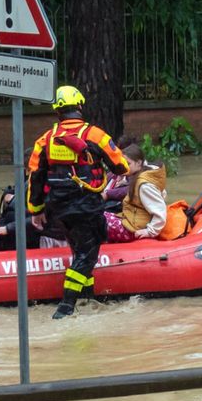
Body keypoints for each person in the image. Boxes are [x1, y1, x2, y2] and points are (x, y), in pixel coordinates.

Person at [27, 85, 129, 318]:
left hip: (59, 209)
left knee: (80, 250)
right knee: (87, 255)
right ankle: (66, 307)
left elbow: (35, 176)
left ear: (57, 112)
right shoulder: (96, 135)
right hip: (87, 205)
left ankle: (88, 297)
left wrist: (36, 209)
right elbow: (121, 166)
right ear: (80, 106)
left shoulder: (44, 140)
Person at [102, 143, 167, 242]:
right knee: (94, 213)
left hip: (134, 229)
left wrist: (149, 231)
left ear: (139, 163)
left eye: (127, 164)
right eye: (123, 163)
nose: (123, 167)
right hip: (130, 220)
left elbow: (160, 211)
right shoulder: (139, 177)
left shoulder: (144, 185)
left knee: (94, 219)